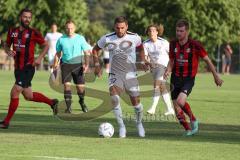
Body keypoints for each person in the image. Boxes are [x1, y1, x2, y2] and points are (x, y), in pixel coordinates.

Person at [0, 8, 58, 129]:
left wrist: (39, 58)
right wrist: (7, 50)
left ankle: (6, 122)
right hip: (18, 68)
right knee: (28, 96)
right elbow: (6, 44)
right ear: (20, 17)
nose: (27, 19)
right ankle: (52, 103)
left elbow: (46, 45)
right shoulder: (12, 31)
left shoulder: (33, 32)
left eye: (29, 17)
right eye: (25, 17)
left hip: (28, 67)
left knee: (15, 91)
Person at [164, 19, 223, 136]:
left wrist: (216, 76)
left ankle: (193, 119)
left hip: (188, 79)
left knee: (181, 101)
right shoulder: (173, 44)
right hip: (175, 78)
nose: (178, 33)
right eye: (177, 30)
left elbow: (207, 60)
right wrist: (168, 70)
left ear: (187, 32)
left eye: (181, 31)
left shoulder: (195, 45)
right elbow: (171, 60)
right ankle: (188, 130)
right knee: (176, 108)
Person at [92, 16, 149, 138]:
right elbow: (95, 50)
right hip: (115, 73)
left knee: (136, 104)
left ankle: (139, 123)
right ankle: (121, 126)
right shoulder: (107, 38)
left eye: (122, 28)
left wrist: (143, 61)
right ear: (114, 27)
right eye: (117, 28)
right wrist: (97, 65)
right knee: (114, 97)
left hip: (131, 74)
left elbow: (141, 48)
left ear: (126, 27)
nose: (120, 30)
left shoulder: (135, 37)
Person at [53, 20, 91, 113]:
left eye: (71, 28)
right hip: (65, 65)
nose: (69, 30)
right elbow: (58, 53)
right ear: (65, 28)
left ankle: (82, 102)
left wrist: (86, 64)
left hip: (78, 65)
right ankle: (68, 108)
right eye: (67, 28)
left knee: (80, 88)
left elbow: (86, 52)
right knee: (67, 86)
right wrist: (55, 64)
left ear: (74, 28)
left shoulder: (80, 38)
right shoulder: (61, 39)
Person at [143, 24, 175, 116]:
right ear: (148, 32)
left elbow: (172, 56)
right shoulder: (145, 44)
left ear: (157, 32)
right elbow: (145, 57)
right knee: (162, 87)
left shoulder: (164, 42)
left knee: (156, 85)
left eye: (153, 30)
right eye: (150, 31)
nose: (151, 32)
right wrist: (147, 64)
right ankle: (170, 109)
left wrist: (169, 69)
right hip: (154, 68)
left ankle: (153, 108)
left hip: (163, 66)